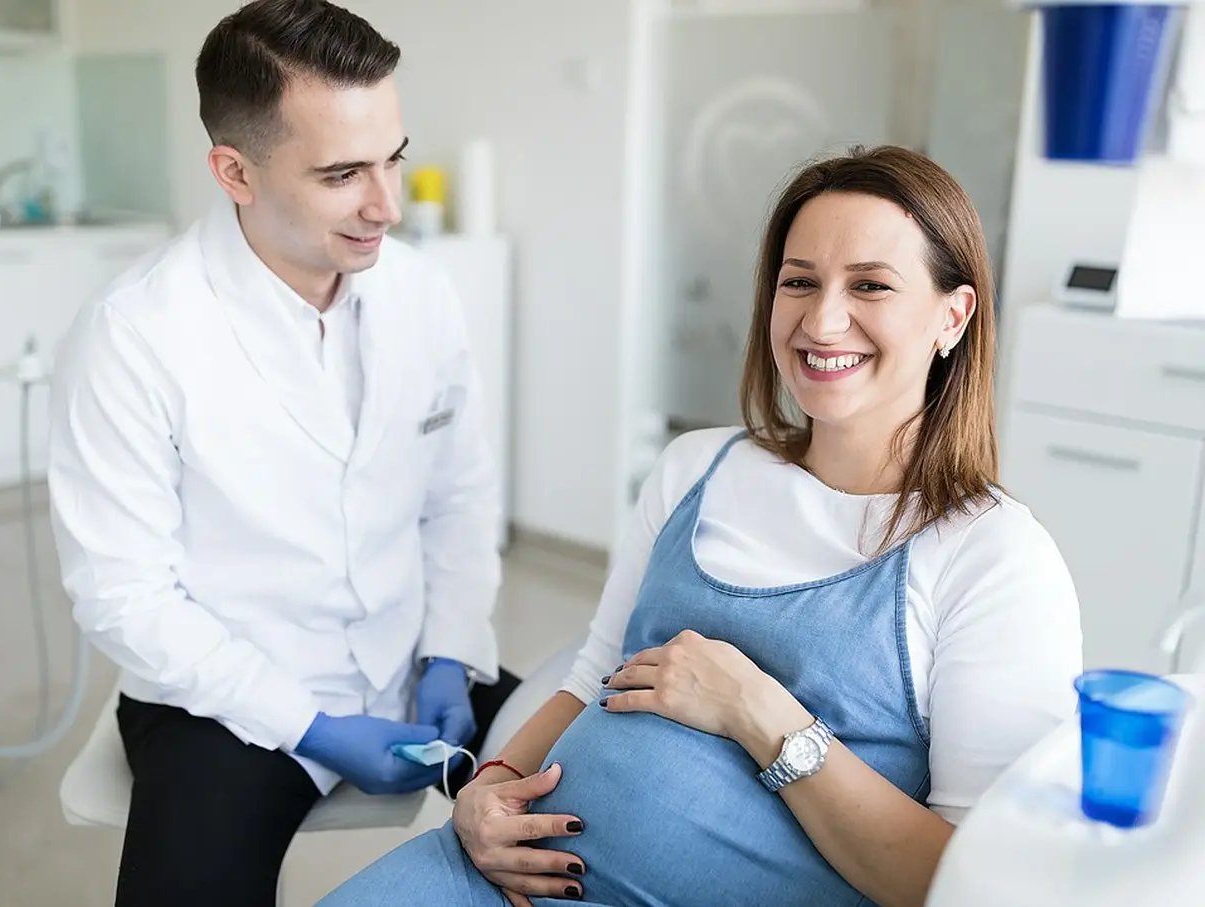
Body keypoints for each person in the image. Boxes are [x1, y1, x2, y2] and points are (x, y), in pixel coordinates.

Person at [312, 145, 1084, 907]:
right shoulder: (695, 467)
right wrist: (490, 788)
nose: (824, 318)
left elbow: (978, 883)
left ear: (954, 314)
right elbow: (589, 681)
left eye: (871, 285)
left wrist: (764, 713)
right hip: (492, 876)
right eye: (799, 282)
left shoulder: (995, 558)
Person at [45, 2, 521, 905]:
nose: (385, 204)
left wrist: (452, 651)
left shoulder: (421, 292)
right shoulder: (133, 333)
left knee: (615, 794)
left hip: (412, 658)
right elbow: (122, 593)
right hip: (224, 693)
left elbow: (458, 496)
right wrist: (311, 725)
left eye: (394, 158)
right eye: (344, 173)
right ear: (236, 171)